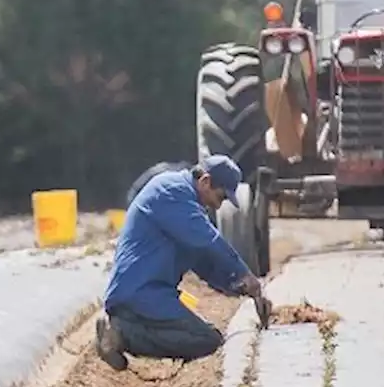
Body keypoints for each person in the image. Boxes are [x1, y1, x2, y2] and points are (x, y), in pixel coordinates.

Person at [95, 155, 270, 371]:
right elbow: (209, 240)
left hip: (153, 294)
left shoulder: (186, 203)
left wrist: (237, 286)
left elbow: (202, 263)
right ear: (205, 181)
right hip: (139, 293)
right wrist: (245, 273)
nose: (219, 204)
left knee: (206, 338)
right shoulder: (171, 191)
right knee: (207, 340)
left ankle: (124, 330)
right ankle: (120, 335)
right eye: (221, 196)